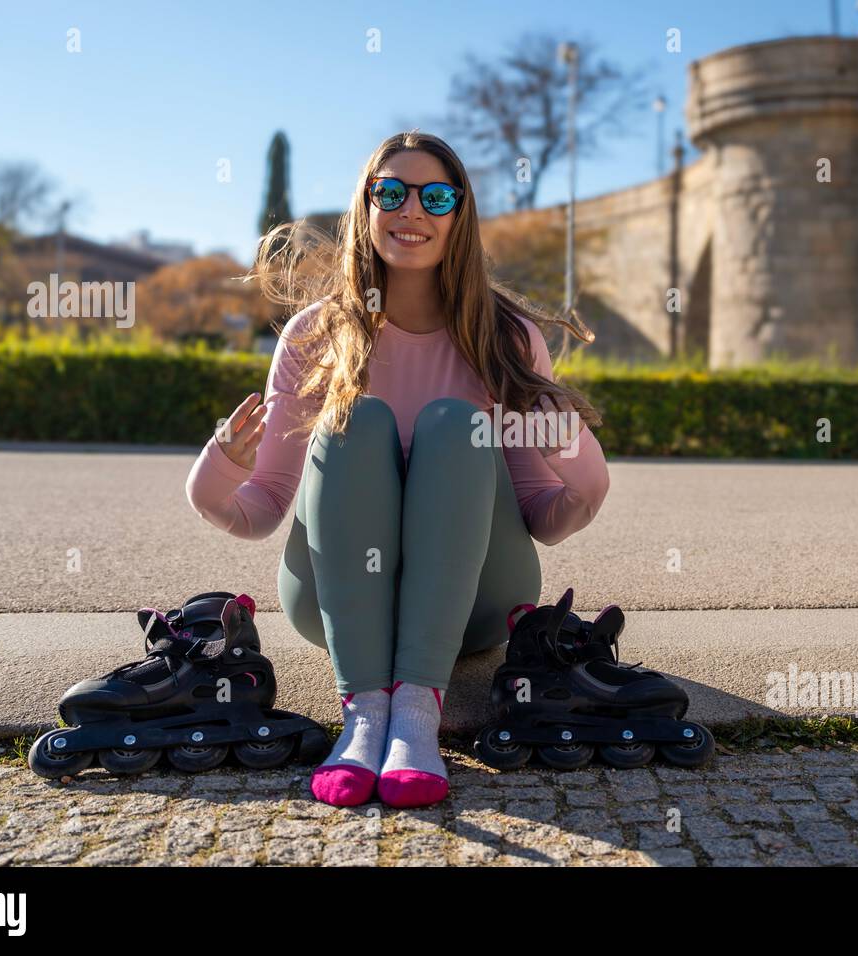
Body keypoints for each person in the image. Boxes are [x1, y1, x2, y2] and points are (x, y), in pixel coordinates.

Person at [186, 131, 610, 808]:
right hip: (337, 604)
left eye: (436, 196)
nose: (412, 209)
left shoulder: (508, 339)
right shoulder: (314, 336)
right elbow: (261, 506)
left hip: (476, 601)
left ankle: (415, 711)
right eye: (392, 191)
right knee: (359, 419)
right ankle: (363, 714)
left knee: (452, 423)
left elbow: (547, 517)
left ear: (459, 215)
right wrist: (213, 473)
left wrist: (576, 459)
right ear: (367, 205)